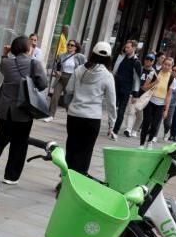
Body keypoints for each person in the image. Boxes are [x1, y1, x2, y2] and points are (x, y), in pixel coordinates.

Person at [0, 35, 48, 185]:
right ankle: (11, 176)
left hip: (6, 111)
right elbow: (43, 84)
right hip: (24, 112)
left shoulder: (7, 63)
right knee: (19, 144)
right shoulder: (35, 64)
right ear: (28, 48)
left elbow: (1, 67)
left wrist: (5, 53)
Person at [63, 41, 116, 175]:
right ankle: (77, 181)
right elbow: (111, 102)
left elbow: (69, 89)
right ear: (109, 58)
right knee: (85, 151)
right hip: (92, 118)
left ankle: (65, 178)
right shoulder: (108, 76)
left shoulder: (79, 69)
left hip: (74, 115)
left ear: (92, 54)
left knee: (71, 148)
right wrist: (112, 122)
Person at [46, 39, 85, 121]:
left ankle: (71, 117)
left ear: (76, 47)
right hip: (61, 77)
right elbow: (57, 66)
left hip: (71, 79)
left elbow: (84, 67)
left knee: (67, 100)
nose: (69, 46)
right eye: (68, 44)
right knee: (55, 97)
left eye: (72, 45)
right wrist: (57, 71)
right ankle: (51, 115)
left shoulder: (80, 57)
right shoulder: (62, 55)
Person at [139, 56, 171, 147]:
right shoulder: (154, 73)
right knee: (146, 122)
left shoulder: (172, 78)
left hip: (160, 105)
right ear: (162, 64)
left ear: (171, 67)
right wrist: (154, 82)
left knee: (155, 125)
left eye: (169, 65)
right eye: (165, 64)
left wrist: (166, 110)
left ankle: (149, 142)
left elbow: (169, 95)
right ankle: (141, 144)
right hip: (150, 102)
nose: (166, 66)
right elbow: (144, 87)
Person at [112, 39, 141, 137]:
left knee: (121, 111)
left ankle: (115, 131)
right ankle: (110, 127)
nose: (126, 49)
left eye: (128, 47)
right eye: (126, 47)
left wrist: (135, 94)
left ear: (134, 48)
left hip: (126, 89)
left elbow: (137, 80)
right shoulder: (121, 57)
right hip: (116, 87)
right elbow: (114, 71)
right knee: (113, 108)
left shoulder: (136, 62)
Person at [125, 52, 155, 138]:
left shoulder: (153, 73)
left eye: (151, 60)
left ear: (153, 62)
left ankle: (134, 130)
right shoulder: (140, 68)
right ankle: (128, 129)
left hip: (144, 96)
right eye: (147, 59)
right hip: (135, 93)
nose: (148, 61)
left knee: (140, 115)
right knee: (131, 111)